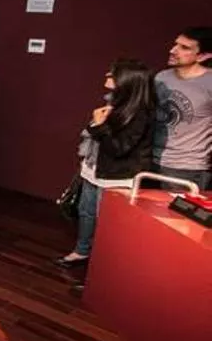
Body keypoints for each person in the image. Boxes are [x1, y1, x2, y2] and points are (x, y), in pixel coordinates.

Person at [55, 59, 156, 276]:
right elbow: (94, 134)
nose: (106, 76)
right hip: (94, 170)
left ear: (127, 80)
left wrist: (99, 126)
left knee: (108, 223)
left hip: (116, 178)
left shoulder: (140, 113)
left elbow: (118, 149)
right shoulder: (113, 102)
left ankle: (104, 266)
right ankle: (82, 251)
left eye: (112, 74)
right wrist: (96, 125)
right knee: (86, 212)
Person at [152, 26, 212, 189]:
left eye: (184, 48)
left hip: (187, 168)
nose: (173, 50)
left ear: (203, 56)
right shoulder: (162, 77)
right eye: (176, 44)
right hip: (152, 161)